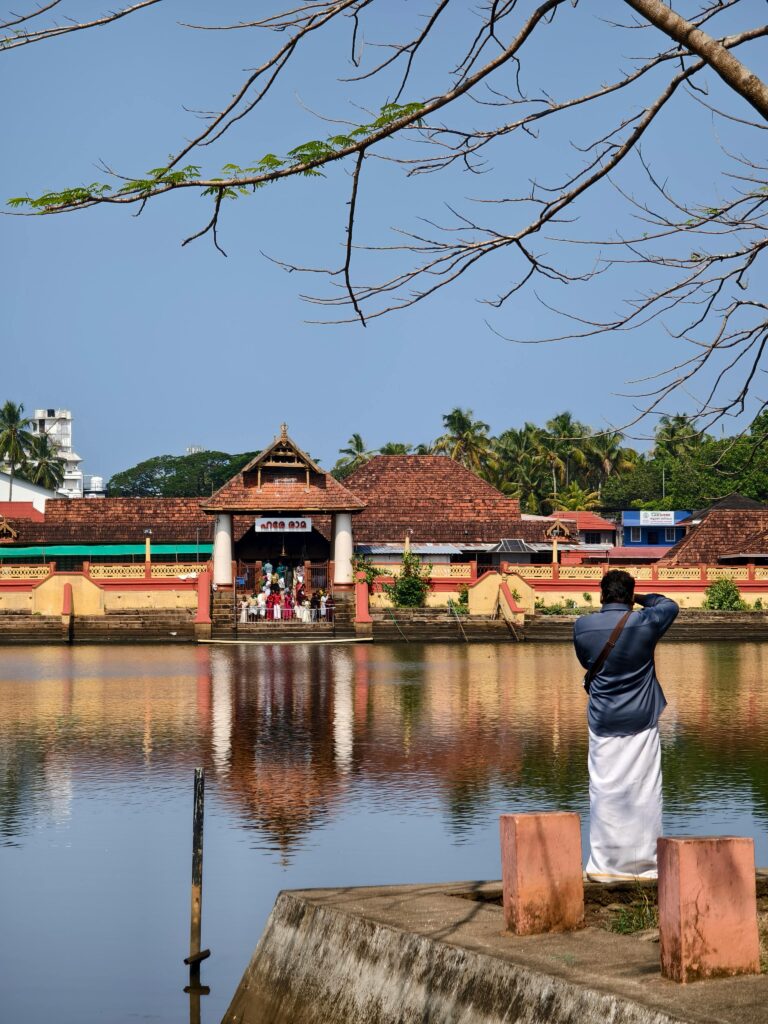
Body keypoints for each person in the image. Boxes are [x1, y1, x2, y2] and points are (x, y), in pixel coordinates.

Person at [573, 569, 678, 882]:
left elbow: (586, 662)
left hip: (603, 719)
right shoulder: (645, 622)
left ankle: (605, 865)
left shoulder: (582, 626)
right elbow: (669, 605)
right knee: (644, 790)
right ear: (630, 596)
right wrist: (641, 599)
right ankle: (646, 867)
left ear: (601, 595)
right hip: (642, 719)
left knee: (604, 790)